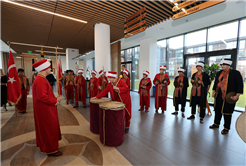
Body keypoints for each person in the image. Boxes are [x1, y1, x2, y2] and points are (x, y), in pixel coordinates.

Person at [32, 59, 62, 157]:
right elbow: (42, 97)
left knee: (49, 128)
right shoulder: (40, 80)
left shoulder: (42, 78)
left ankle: (49, 146)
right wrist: (56, 99)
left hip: (46, 108)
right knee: (49, 128)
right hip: (45, 110)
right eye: (49, 67)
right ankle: (51, 150)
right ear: (44, 68)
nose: (50, 69)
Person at [209, 59, 243, 134]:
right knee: (218, 110)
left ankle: (226, 128)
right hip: (219, 94)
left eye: (223, 65)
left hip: (229, 96)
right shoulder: (219, 73)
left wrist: (237, 95)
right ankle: (216, 124)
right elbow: (216, 83)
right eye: (221, 65)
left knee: (227, 112)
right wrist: (214, 91)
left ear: (228, 65)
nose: (222, 66)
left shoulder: (235, 73)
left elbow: (240, 84)